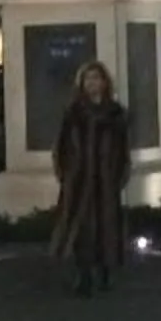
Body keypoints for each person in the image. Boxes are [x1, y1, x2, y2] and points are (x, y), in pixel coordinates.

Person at [50, 60, 130, 296]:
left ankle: (105, 270)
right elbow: (62, 146)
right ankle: (83, 274)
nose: (92, 83)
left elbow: (122, 148)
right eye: (88, 79)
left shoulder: (115, 114)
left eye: (96, 78)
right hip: (79, 179)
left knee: (106, 225)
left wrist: (120, 172)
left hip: (106, 179)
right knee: (81, 227)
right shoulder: (73, 113)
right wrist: (65, 172)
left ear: (105, 82)